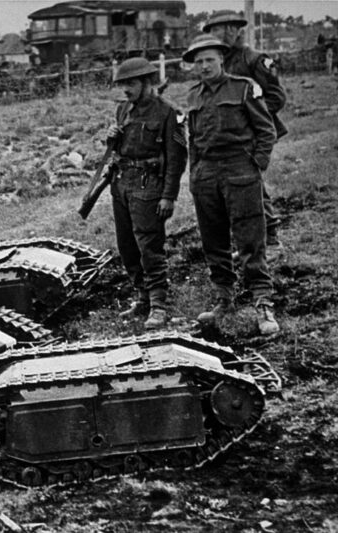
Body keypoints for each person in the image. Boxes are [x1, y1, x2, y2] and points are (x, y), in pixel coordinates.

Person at [182, 35, 279, 335]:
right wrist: (195, 173)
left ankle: (263, 302)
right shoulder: (193, 96)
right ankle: (224, 297)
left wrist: (256, 165)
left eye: (209, 59)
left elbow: (266, 130)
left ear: (221, 60)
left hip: (240, 169)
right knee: (214, 241)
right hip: (206, 174)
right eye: (198, 62)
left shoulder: (243, 87)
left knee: (250, 238)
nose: (204, 65)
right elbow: (193, 139)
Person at [106, 57, 187, 328]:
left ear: (147, 82)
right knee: (127, 245)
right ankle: (141, 296)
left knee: (149, 246)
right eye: (123, 84)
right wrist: (112, 138)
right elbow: (119, 148)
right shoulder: (123, 110)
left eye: (131, 84)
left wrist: (169, 196)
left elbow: (176, 158)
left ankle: (158, 304)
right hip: (122, 184)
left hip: (149, 187)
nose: (126, 90)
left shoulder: (168, 112)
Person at [204, 10, 287, 247]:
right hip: (230, 137)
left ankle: (270, 237)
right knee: (240, 186)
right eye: (211, 31)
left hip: (252, 135)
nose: (213, 35)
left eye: (216, 30)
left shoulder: (254, 59)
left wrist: (249, 118)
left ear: (232, 29)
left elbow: (276, 98)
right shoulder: (221, 60)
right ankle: (256, 239)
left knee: (250, 184)